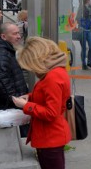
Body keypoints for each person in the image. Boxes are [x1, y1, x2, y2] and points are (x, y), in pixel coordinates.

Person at [12, 37, 71, 169]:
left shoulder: (52, 77)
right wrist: (30, 97)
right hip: (51, 137)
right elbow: (48, 96)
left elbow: (51, 113)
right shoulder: (56, 71)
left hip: (50, 138)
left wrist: (25, 105)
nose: (31, 69)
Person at [0, 22, 29, 110]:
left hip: (14, 104)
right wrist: (17, 101)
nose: (19, 36)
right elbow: (2, 84)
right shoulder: (1, 54)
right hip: (9, 107)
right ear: (3, 37)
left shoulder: (7, 50)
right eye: (15, 34)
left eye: (18, 33)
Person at [76, 0, 91, 69]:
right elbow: (77, 19)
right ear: (87, 1)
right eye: (89, 1)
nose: (90, 2)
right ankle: (84, 63)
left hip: (89, 30)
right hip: (83, 30)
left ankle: (89, 62)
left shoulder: (90, 8)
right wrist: (82, 25)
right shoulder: (81, 9)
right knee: (84, 48)